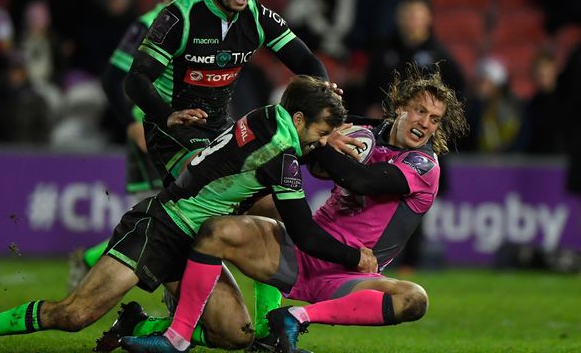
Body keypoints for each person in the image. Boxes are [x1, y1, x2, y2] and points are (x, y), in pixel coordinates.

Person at [0, 76, 376, 352]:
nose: (320, 140)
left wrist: (326, 133)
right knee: (73, 315)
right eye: (320, 131)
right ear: (300, 122)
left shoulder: (272, 117)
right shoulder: (282, 155)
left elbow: (299, 139)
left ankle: (140, 325)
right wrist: (355, 258)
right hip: (162, 226)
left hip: (200, 239)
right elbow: (306, 235)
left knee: (235, 335)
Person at [120, 67, 468, 353]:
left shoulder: (424, 165)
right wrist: (323, 138)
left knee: (414, 299)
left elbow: (359, 180)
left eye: (435, 119)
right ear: (400, 106)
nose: (425, 123)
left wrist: (318, 140)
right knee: (217, 230)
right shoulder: (365, 133)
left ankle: (295, 317)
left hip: (352, 273)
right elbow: (316, 163)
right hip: (304, 250)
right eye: (420, 111)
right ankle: (177, 337)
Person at [123, 0, 334, 343]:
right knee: (205, 202)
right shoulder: (179, 16)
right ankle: (174, 298)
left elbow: (307, 63)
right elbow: (136, 79)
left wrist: (324, 92)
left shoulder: (257, 16)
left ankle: (271, 324)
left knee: (272, 204)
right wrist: (166, 114)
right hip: (173, 133)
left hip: (220, 128)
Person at [66, 0, 200, 290]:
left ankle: (93, 257)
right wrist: (130, 123)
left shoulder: (206, 23)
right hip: (154, 130)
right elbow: (113, 77)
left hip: (193, 130)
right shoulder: (150, 23)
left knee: (172, 216)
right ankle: (176, 303)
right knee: (171, 218)